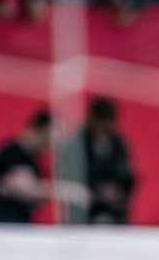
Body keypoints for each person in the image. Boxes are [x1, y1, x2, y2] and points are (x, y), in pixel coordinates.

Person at [0, 110, 80, 225]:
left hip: (18, 228)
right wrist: (67, 191)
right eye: (57, 133)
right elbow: (23, 189)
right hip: (3, 229)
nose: (56, 142)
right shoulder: (13, 154)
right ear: (45, 130)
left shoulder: (33, 160)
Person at [57, 96, 139, 226]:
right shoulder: (77, 146)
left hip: (115, 215)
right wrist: (96, 193)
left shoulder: (118, 145)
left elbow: (127, 177)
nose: (105, 128)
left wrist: (117, 192)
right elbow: (70, 183)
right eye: (102, 122)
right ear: (93, 119)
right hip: (84, 216)